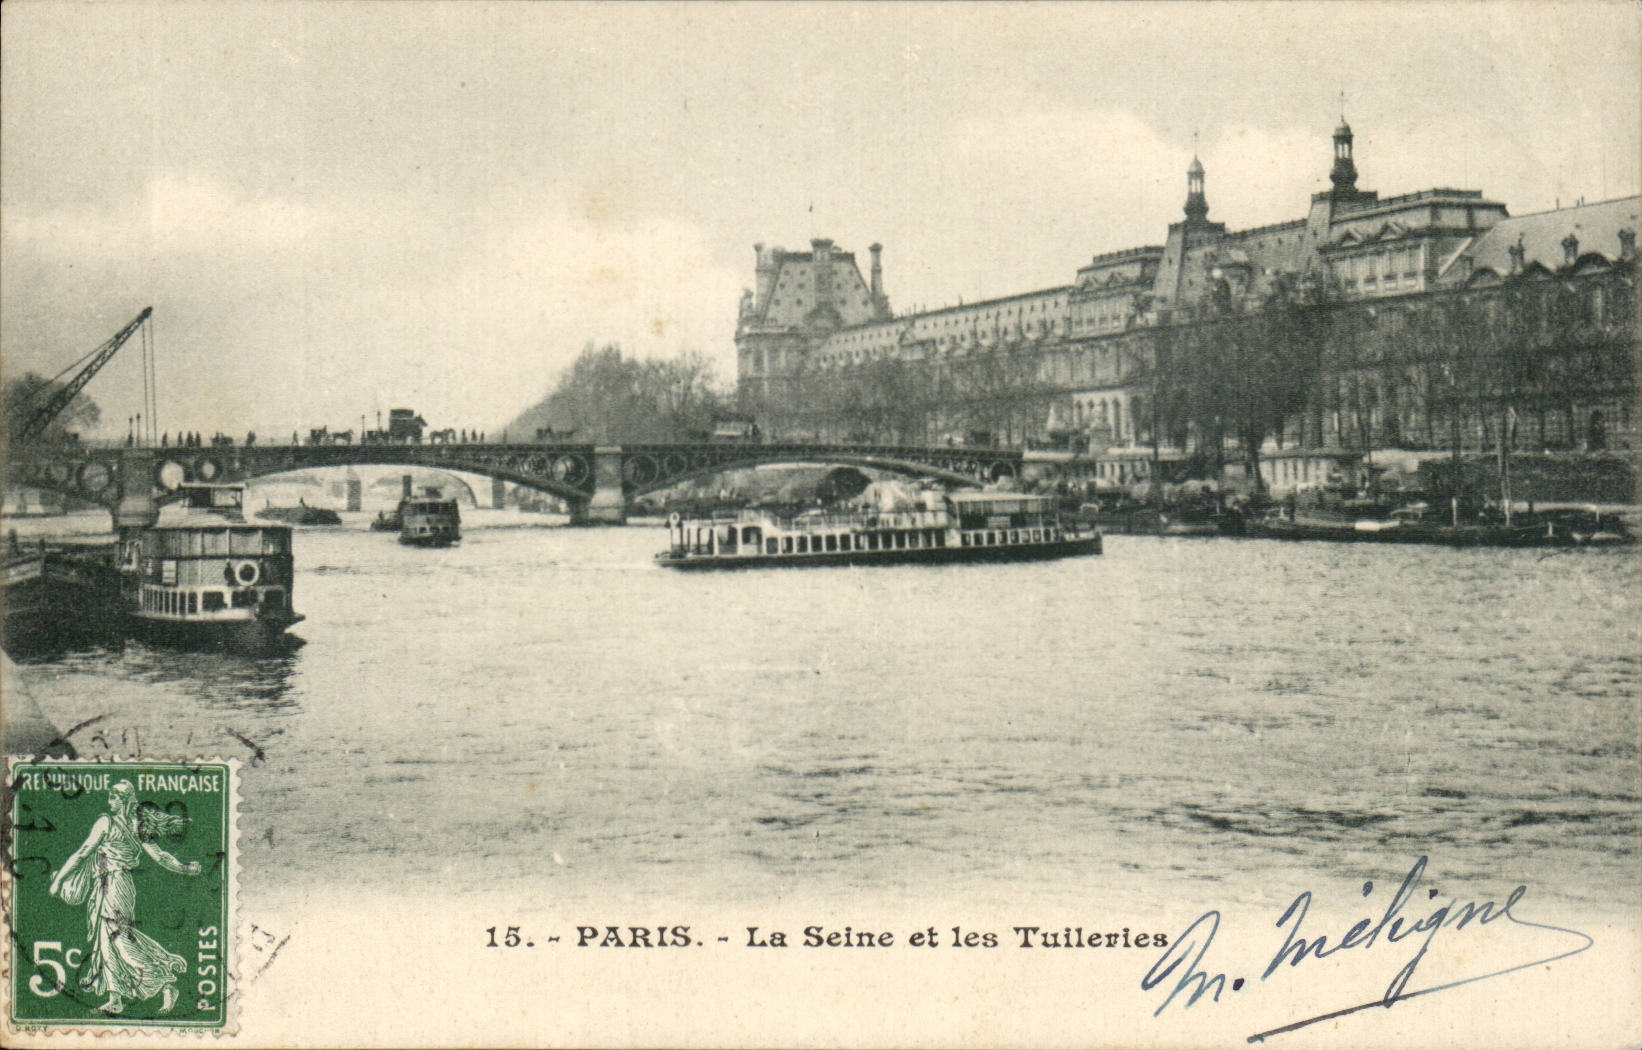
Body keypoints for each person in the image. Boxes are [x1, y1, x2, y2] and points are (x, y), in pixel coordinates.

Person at [48, 781, 201, 1015]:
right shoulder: (136, 824)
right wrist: (184, 868)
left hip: (113, 885)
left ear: (124, 800)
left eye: (113, 798)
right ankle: (115, 998)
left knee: (120, 941)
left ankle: (165, 984)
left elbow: (82, 853)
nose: (109, 803)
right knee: (107, 941)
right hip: (117, 885)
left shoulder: (106, 823)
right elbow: (160, 857)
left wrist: (59, 880)